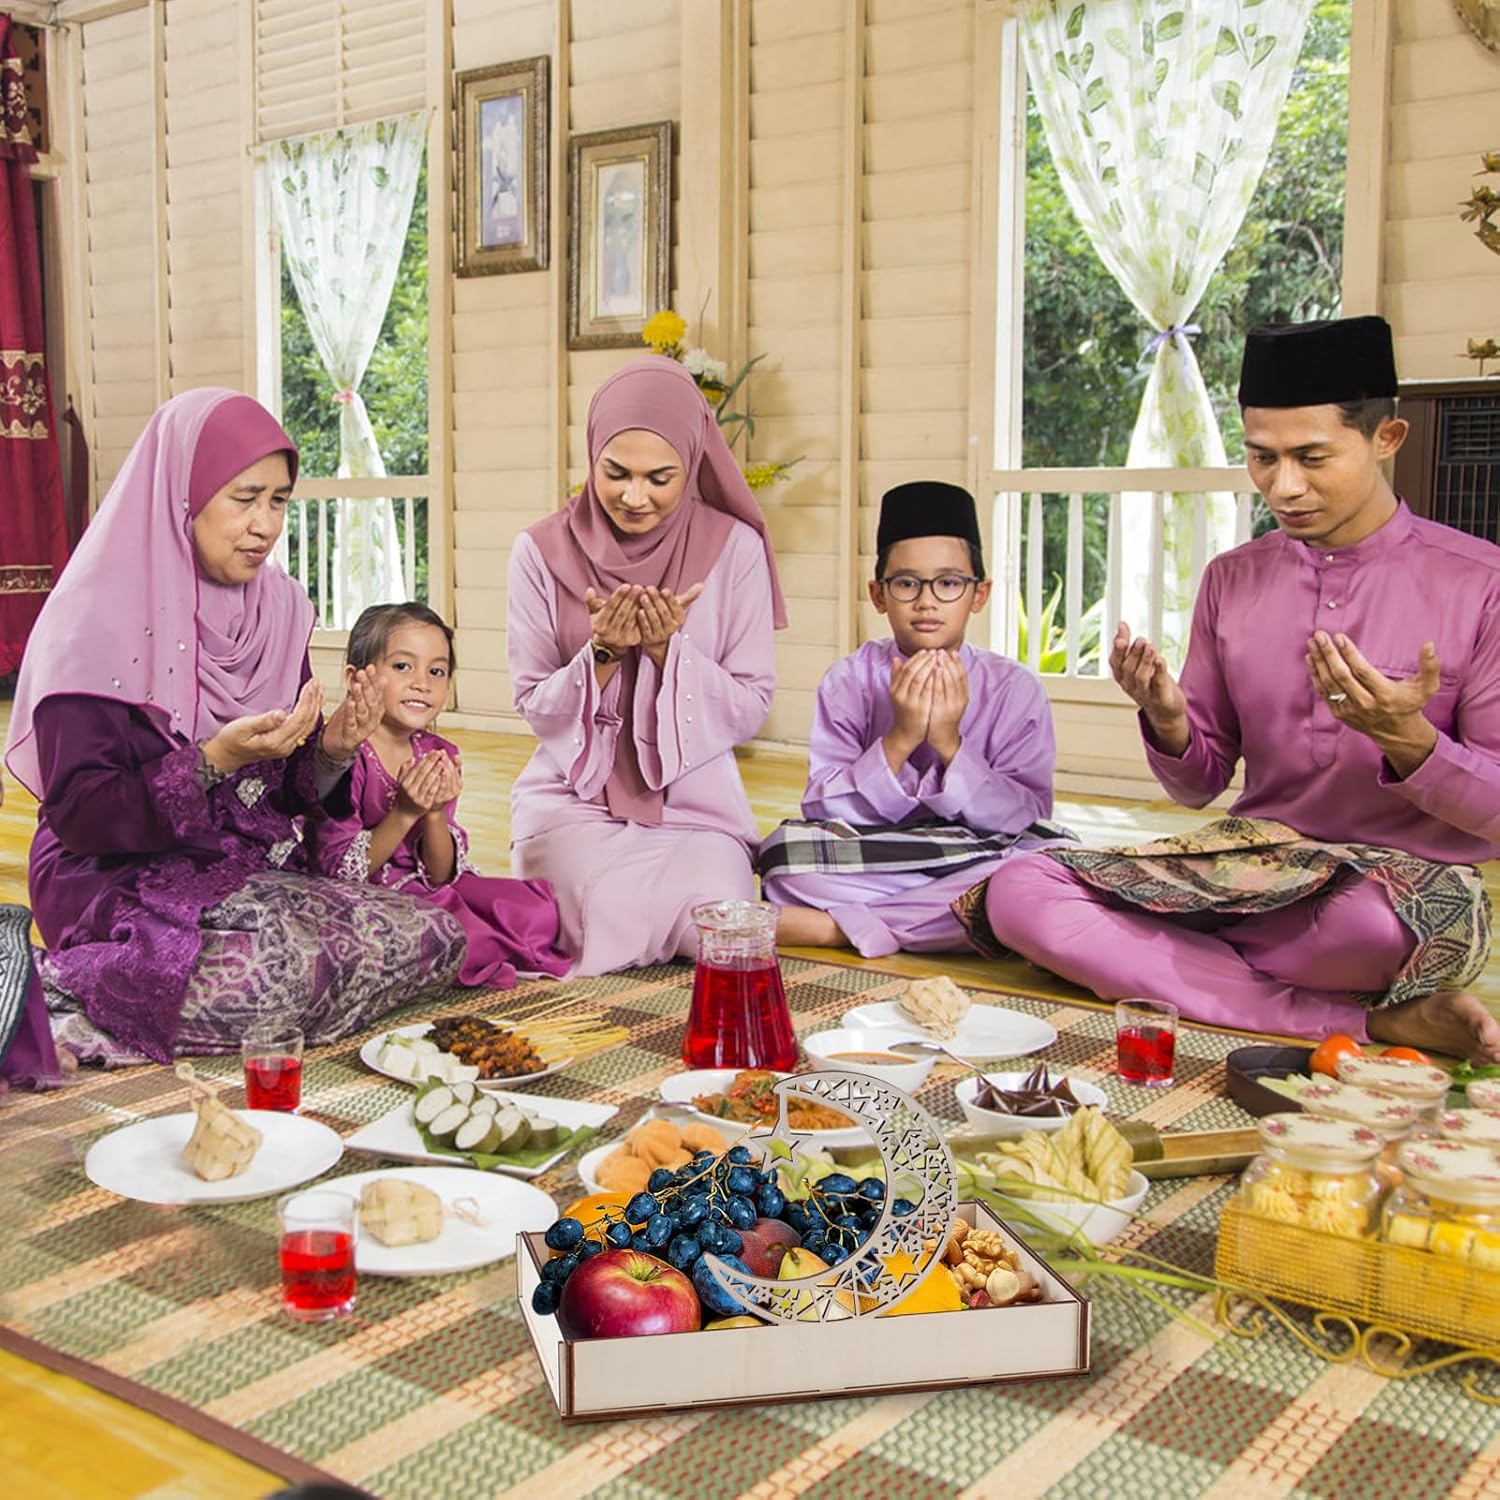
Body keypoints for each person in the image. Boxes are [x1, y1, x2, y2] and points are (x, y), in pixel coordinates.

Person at [972, 316, 1500, 1065]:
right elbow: (1200, 786)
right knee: (1018, 889)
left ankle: (1162, 962)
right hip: (1247, 868)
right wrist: (1168, 720)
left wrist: (1408, 742)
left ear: (1387, 439)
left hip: (1392, 889)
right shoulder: (1235, 577)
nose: (1284, 486)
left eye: (1312, 457)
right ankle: (1365, 1023)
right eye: (1262, 457)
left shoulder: (1481, 585)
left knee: (1371, 933)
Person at [2, 389, 465, 1066]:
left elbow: (285, 789)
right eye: (243, 498)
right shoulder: (95, 623)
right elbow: (80, 817)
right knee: (260, 978)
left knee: (434, 934)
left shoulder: (275, 609)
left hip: (236, 864)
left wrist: (333, 749)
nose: (265, 525)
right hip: (110, 874)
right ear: (183, 495)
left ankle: (193, 1005)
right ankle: (48, 985)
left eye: (278, 501)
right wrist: (210, 761)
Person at [507, 355, 785, 974]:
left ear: (693, 463)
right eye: (616, 473)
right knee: (595, 910)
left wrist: (667, 652)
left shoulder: (734, 548)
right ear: (591, 458)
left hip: (697, 809)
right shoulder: (538, 552)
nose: (635, 497)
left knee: (720, 928)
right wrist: (602, 653)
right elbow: (532, 699)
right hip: (572, 802)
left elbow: (752, 704)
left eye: (661, 478)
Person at [760, 481, 1064, 956]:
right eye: (906, 583)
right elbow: (822, 809)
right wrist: (899, 738)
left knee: (1049, 862)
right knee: (784, 859)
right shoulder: (848, 680)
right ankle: (962, 921)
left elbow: (1026, 816)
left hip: (977, 852)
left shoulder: (1014, 688)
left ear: (978, 594)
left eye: (948, 583)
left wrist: (949, 744)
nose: (927, 602)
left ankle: (834, 929)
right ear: (878, 595)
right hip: (876, 854)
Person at [310, 602, 570, 988]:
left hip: (425, 886)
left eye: (437, 671)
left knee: (535, 911)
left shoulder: (438, 753)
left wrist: (432, 813)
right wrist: (404, 813)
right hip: (362, 894)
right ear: (356, 678)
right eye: (402, 666)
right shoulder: (345, 755)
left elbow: (439, 873)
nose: (422, 683)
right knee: (458, 936)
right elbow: (340, 871)